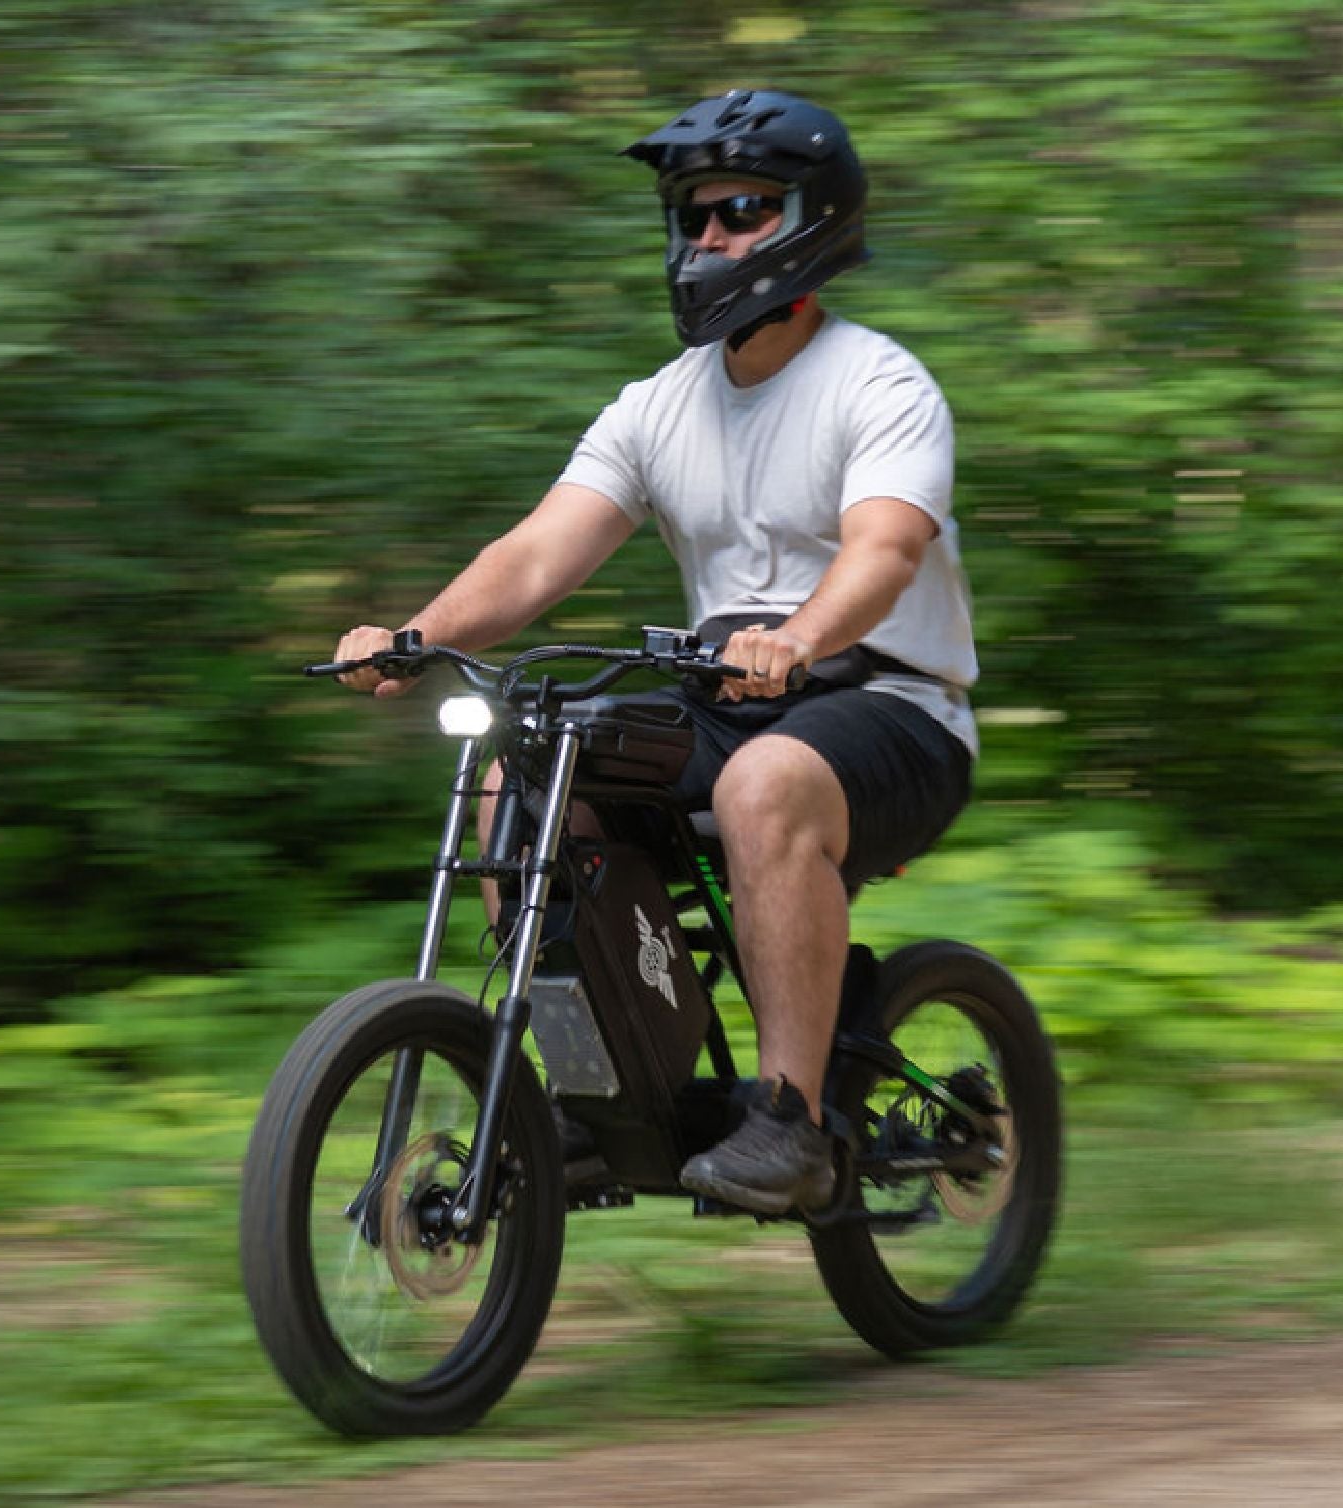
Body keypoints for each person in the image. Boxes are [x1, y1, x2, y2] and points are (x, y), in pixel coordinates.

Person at [329, 90, 978, 1216]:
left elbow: (883, 552)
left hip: (892, 705)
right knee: (528, 769)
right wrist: (414, 635)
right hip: (728, 701)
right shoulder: (656, 407)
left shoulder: (881, 383)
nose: (711, 238)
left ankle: (789, 1122)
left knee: (762, 781)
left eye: (742, 210)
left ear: (811, 220)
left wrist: (799, 637)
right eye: (695, 215)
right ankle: (601, 1096)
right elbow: (536, 557)